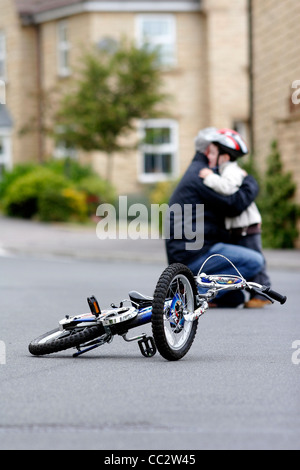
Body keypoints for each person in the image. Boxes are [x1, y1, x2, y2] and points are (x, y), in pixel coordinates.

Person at [165, 127, 265, 308]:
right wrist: (250, 181)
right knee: (255, 261)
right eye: (213, 151)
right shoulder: (202, 176)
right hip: (195, 255)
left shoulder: (196, 171)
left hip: (187, 252)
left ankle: (202, 291)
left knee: (234, 299)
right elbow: (234, 204)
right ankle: (197, 293)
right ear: (209, 151)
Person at [199, 132, 271, 308]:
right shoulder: (226, 170)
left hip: (247, 226)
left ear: (224, 157)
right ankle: (236, 294)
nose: (209, 156)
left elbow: (228, 189)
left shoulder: (231, 171)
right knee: (242, 261)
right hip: (239, 228)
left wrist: (209, 176)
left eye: (213, 153)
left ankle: (262, 295)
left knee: (256, 261)